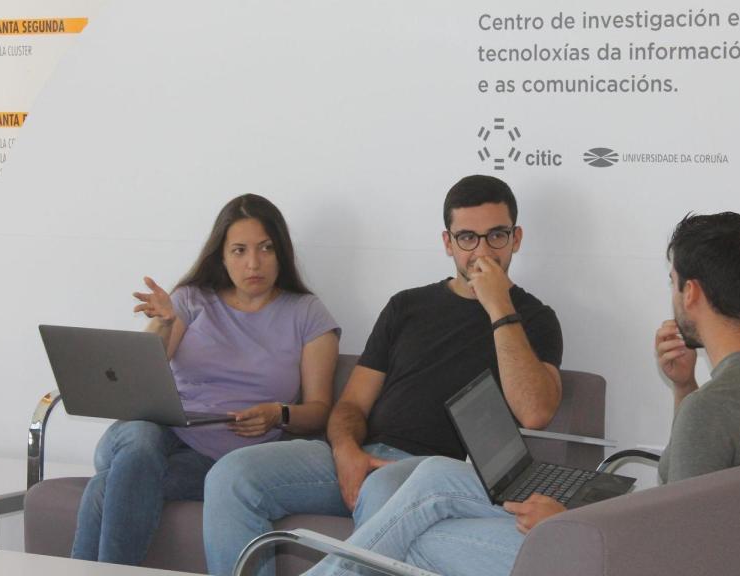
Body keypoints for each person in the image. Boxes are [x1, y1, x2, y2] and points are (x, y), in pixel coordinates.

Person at [300, 211, 740, 576]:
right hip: (642, 531)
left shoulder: (712, 412)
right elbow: (696, 491)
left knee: (412, 541)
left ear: (691, 292)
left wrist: (567, 525)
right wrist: (685, 385)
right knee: (436, 477)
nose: (673, 292)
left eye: (673, 280)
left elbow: (669, 553)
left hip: (607, 557)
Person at [202, 175, 564, 576]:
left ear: (516, 238)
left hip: (435, 475)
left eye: (496, 236)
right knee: (231, 476)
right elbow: (352, 403)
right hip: (366, 453)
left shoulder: (535, 318)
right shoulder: (406, 307)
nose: (482, 251)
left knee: (384, 492)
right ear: (447, 243)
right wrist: (347, 452)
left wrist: (498, 307)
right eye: (467, 238)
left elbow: (536, 413)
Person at [71, 194, 340, 566]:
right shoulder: (191, 298)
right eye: (239, 251)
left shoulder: (306, 313)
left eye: (265, 249)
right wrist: (165, 322)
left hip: (218, 457)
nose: (253, 263)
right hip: (161, 429)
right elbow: (140, 376)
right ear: (221, 256)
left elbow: (319, 411)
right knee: (141, 439)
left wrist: (279, 414)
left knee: (109, 485)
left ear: (281, 252)